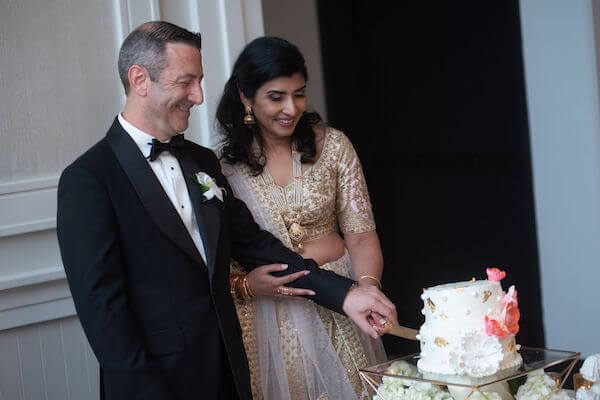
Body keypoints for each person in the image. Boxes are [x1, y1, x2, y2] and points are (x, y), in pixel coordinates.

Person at [56, 21, 397, 400]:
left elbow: (260, 248)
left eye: (199, 80)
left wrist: (347, 295)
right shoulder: (88, 179)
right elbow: (105, 315)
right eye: (186, 82)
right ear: (140, 80)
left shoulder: (200, 162)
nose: (199, 96)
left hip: (230, 372)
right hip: (155, 384)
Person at [217, 36, 389, 400]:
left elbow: (360, 236)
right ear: (247, 97)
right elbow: (224, 262)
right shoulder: (222, 171)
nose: (291, 108)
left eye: (299, 94)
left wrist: (367, 287)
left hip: (341, 299)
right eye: (276, 96)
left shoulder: (333, 147)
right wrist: (246, 286)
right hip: (268, 318)